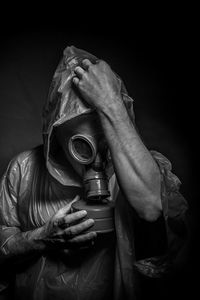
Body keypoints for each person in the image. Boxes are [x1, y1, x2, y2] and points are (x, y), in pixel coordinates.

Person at [0, 46, 188, 300]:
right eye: (82, 147)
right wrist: (42, 238)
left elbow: (151, 208)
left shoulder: (139, 173)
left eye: (107, 146)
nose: (97, 162)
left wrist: (109, 102)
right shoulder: (24, 170)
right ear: (57, 135)